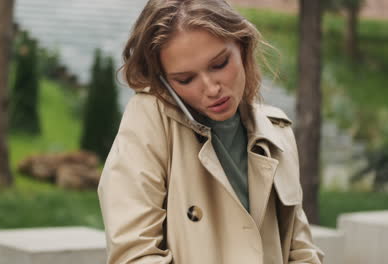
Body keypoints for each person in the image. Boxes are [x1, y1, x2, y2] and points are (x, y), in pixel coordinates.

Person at [98, 0, 324, 263]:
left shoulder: (276, 131)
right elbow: (134, 254)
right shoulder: (149, 120)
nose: (211, 88)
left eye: (219, 64)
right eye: (185, 79)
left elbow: (300, 250)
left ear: (242, 44)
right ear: (163, 80)